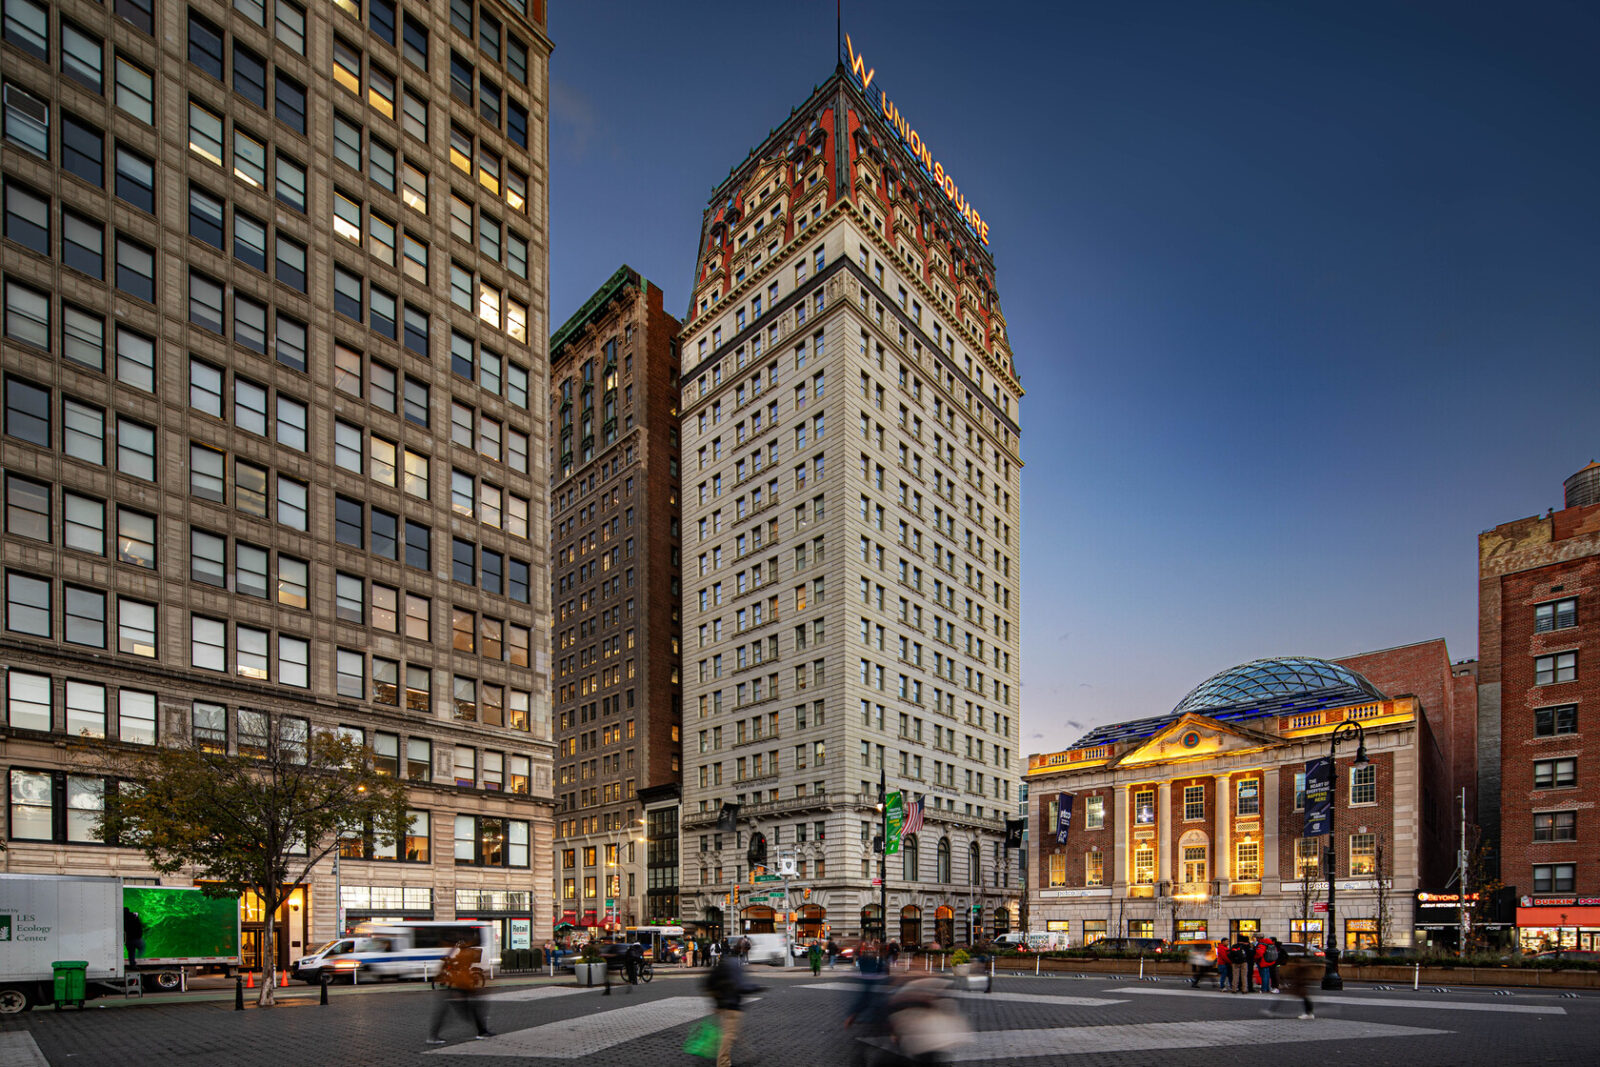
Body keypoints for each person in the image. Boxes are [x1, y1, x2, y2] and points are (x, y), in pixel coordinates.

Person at [426, 940, 491, 1044]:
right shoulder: (463, 953)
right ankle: (433, 1036)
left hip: (460, 987)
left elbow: (457, 964)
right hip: (460, 988)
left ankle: (482, 1031)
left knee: (469, 1010)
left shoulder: (461, 953)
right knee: (469, 1010)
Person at [705, 944, 759, 1067]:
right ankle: (723, 1063)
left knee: (731, 1032)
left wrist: (717, 1002)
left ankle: (735, 1057)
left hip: (723, 1003)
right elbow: (740, 986)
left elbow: (710, 982)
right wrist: (756, 987)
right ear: (743, 950)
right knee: (729, 1034)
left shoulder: (725, 962)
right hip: (731, 1004)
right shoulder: (735, 964)